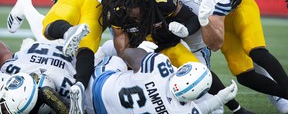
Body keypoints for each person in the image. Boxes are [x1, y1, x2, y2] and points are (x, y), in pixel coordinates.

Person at [144, 0, 254, 114]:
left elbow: (216, 44)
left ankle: (237, 109)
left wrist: (204, 22)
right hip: (159, 38)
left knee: (213, 108)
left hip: (194, 48)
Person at [27, 0, 114, 114]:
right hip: (96, 5)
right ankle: (80, 85)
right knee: (87, 49)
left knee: (49, 27)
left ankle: (68, 32)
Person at [84, 46, 238, 113]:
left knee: (114, 55)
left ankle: (77, 78)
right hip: (106, 111)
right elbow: (200, 109)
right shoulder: (184, 111)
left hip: (97, 89)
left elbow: (128, 53)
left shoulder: (159, 67)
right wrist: (219, 99)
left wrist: (143, 50)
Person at [101, 0, 201, 66]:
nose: (139, 20)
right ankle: (107, 49)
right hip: (138, 52)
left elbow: (192, 18)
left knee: (196, 70)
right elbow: (123, 54)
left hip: (168, 46)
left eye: (142, 15)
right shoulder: (118, 13)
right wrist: (137, 54)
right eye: (134, 18)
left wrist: (186, 31)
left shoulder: (163, 2)